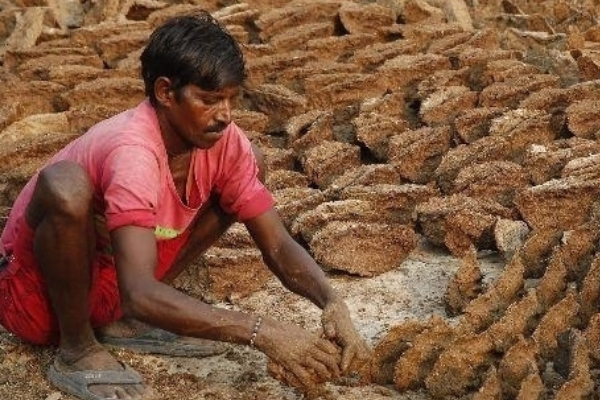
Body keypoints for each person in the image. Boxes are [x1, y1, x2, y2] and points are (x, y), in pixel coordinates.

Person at [0, 10, 371, 400]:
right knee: (66, 185)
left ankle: (121, 324)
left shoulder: (222, 141)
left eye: (230, 99)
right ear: (164, 93)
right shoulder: (134, 151)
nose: (225, 116)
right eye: (209, 100)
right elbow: (139, 292)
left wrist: (331, 301)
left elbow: (277, 244)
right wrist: (261, 331)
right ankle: (77, 349)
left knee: (251, 162)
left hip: (112, 286)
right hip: (39, 301)